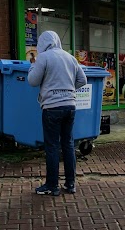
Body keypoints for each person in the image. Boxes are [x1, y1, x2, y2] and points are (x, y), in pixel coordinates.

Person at [28, 31, 87, 195]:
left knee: (52, 146)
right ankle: (70, 184)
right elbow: (83, 80)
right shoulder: (70, 57)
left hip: (52, 107)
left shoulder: (44, 57)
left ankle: (52, 186)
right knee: (68, 144)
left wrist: (32, 65)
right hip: (70, 106)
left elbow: (32, 81)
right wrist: (67, 91)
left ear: (42, 43)